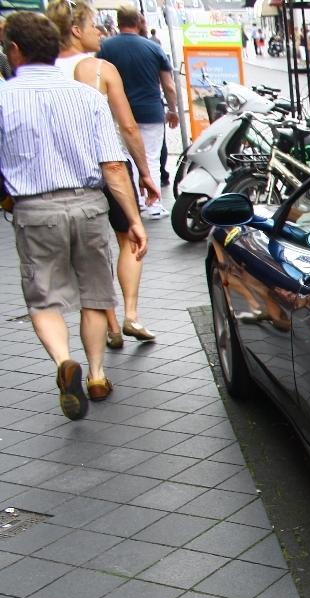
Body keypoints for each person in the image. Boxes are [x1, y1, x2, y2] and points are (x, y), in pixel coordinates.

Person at [0, 12, 147, 418]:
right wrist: (134, 219)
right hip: (88, 205)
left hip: (34, 209)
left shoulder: (4, 98)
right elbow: (113, 166)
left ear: (15, 51)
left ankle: (65, 361)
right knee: (95, 294)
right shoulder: (87, 97)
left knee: (43, 298)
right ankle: (97, 375)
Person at [50, 0, 160, 348]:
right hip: (108, 164)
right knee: (130, 239)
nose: (100, 31)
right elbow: (127, 126)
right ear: (75, 30)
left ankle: (110, 325)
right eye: (93, 24)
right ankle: (131, 314)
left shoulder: (42, 70)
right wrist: (144, 172)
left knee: (91, 255)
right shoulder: (100, 69)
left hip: (67, 174)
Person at [97, 5, 179, 222]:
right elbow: (168, 85)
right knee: (151, 157)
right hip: (151, 111)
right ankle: (154, 205)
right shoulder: (153, 48)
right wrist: (172, 110)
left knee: (128, 158)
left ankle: (137, 202)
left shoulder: (105, 48)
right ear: (139, 22)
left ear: (118, 21)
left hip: (119, 111)